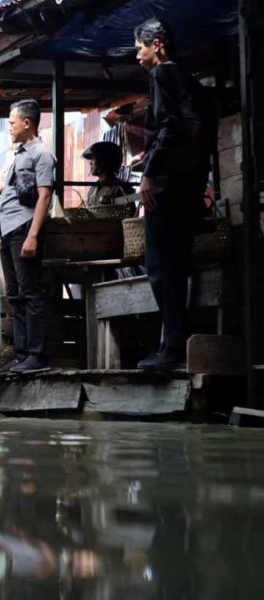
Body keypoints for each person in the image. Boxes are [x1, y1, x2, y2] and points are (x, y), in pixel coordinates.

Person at [134, 17, 210, 372]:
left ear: (158, 45)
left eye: (140, 47)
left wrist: (148, 175)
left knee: (160, 267)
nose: (138, 55)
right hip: (188, 188)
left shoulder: (162, 74)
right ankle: (174, 344)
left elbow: (169, 127)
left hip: (167, 188)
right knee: (176, 266)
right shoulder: (188, 80)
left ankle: (171, 348)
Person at [0, 99, 56, 375]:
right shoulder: (16, 155)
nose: (9, 127)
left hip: (24, 228)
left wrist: (33, 235)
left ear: (27, 123)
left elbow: (44, 196)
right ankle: (21, 353)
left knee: (30, 293)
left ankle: (37, 354)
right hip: (7, 230)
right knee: (16, 294)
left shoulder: (41, 154)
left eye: (11, 122)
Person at [81, 141, 134, 207]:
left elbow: (130, 214)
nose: (90, 163)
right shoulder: (92, 189)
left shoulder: (122, 188)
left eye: (93, 159)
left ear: (102, 160)